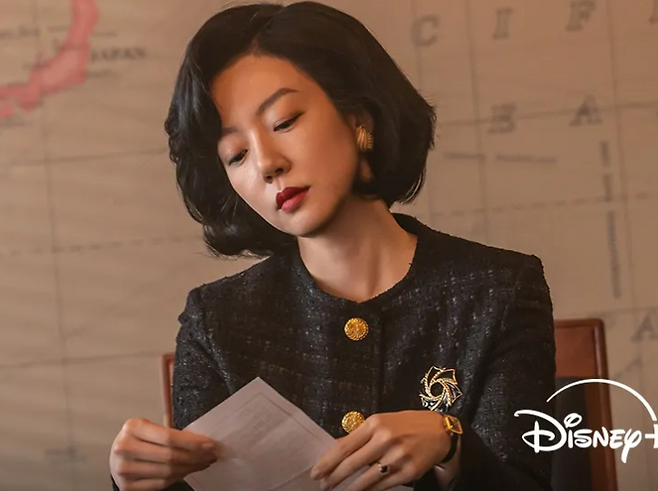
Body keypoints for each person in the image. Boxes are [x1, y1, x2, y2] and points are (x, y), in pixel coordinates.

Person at [109, 2, 556, 491]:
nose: (266, 164)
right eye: (236, 155)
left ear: (359, 117)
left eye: (284, 121)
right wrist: (136, 482)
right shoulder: (215, 321)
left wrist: (451, 448)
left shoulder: (499, 289)